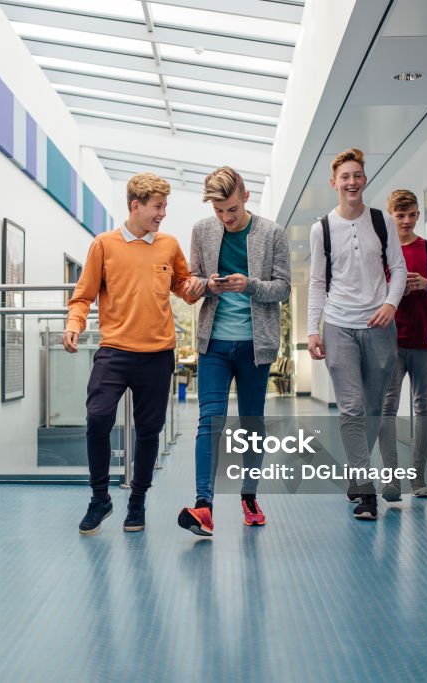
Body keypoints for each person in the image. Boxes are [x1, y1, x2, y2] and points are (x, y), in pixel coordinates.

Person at [66, 172, 203, 535]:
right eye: (158, 207)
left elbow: (183, 288)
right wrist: (74, 325)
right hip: (114, 351)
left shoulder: (169, 245)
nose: (162, 214)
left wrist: (200, 287)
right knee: (97, 418)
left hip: (158, 354)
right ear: (135, 206)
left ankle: (137, 501)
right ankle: (100, 499)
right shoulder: (104, 245)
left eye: (165, 207)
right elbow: (83, 296)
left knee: (149, 431)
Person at [176, 166, 291, 537]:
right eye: (219, 212)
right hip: (214, 344)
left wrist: (250, 285)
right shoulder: (201, 231)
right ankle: (204, 506)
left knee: (252, 422)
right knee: (210, 419)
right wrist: (207, 285)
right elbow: (191, 283)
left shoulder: (272, 233)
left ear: (245, 197)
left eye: (232, 210)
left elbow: (283, 289)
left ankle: (249, 496)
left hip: (256, 346)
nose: (225, 218)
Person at [307, 148, 407, 521]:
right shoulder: (322, 229)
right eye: (344, 177)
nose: (351, 182)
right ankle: (366, 490)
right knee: (350, 407)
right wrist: (312, 331)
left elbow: (397, 269)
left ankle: (355, 469)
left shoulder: (382, 222)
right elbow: (317, 282)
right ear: (334, 183)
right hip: (338, 325)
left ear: (365, 180)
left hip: (380, 325)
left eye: (357, 175)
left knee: (373, 409)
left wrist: (391, 304)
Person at [378, 189, 427, 502]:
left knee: (423, 408)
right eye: (401, 215)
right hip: (390, 341)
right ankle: (391, 478)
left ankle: (419, 476)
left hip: (425, 340)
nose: (407, 221)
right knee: (387, 408)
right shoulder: (382, 253)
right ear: (391, 217)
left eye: (412, 214)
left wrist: (426, 284)